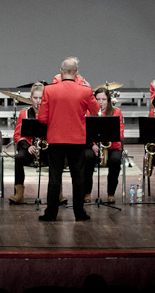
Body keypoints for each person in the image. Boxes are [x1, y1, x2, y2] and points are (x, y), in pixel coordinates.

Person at [37, 58, 100, 221]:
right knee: (78, 177)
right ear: (76, 72)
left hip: (55, 138)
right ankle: (79, 213)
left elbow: (42, 118)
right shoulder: (85, 91)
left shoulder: (49, 90)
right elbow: (95, 110)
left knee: (54, 177)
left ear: (61, 71)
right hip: (77, 139)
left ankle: (51, 213)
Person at [83, 87, 124, 204]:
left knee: (115, 160)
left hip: (112, 146)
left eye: (104, 99)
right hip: (94, 147)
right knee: (87, 157)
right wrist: (92, 145)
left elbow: (120, 134)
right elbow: (84, 133)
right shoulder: (89, 113)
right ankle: (87, 192)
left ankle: (111, 193)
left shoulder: (116, 112)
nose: (100, 102)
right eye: (98, 99)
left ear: (108, 100)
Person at [9, 82, 48, 204]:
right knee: (19, 158)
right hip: (29, 149)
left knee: (57, 157)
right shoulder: (24, 113)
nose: (38, 101)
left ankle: (58, 193)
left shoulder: (50, 113)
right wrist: (28, 146)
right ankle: (19, 194)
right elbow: (17, 135)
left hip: (46, 148)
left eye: (41, 98)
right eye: (35, 98)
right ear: (31, 98)